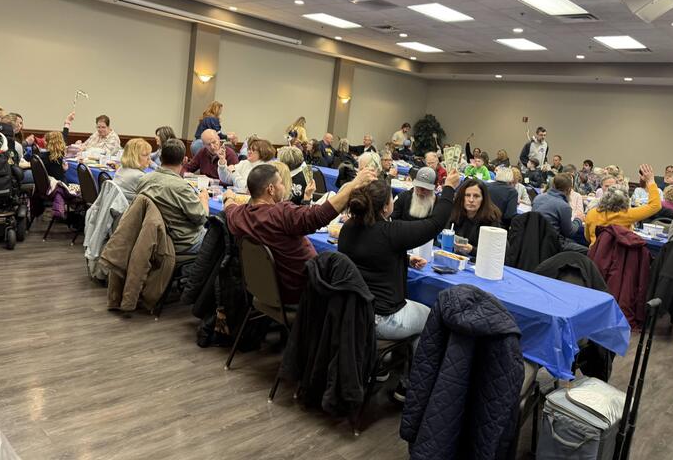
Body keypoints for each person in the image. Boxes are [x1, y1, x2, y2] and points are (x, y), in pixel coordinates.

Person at [338, 168, 461, 402]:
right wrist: (449, 189)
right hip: (382, 318)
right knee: (433, 317)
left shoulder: (348, 228)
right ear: (386, 207)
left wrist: (402, 258)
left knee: (418, 318)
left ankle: (381, 368)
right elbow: (435, 223)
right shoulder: (390, 232)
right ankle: (410, 386)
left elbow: (368, 257)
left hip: (352, 313)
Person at [222, 164, 377, 304]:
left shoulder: (238, 216)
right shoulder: (280, 213)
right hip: (299, 291)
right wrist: (354, 184)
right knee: (343, 268)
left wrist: (228, 197)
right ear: (271, 189)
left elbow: (229, 208)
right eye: (281, 183)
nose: (283, 187)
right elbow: (320, 216)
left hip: (264, 290)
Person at [134, 139, 208, 253]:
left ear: (160, 158)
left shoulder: (143, 180)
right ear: (184, 160)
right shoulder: (181, 187)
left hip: (151, 239)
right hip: (182, 243)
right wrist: (204, 199)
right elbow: (202, 218)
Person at [585, 164, 661, 245]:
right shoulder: (628, 215)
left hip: (595, 254)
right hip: (620, 256)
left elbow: (587, 237)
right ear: (625, 200)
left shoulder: (592, 213)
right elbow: (655, 205)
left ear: (605, 198)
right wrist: (650, 181)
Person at [533, 174, 587, 252]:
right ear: (569, 189)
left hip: (535, 239)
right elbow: (570, 232)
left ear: (553, 185)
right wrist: (578, 219)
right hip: (553, 243)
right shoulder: (564, 206)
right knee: (588, 252)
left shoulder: (538, 198)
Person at [449, 179, 502, 256]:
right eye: (467, 195)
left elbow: (493, 253)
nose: (471, 200)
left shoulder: (491, 220)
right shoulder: (454, 212)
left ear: (483, 199)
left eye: (476, 196)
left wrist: (472, 250)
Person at [113, 138, 152, 202]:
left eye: (149, 155)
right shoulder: (139, 176)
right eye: (145, 155)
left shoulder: (121, 168)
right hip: (128, 210)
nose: (149, 158)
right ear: (133, 157)